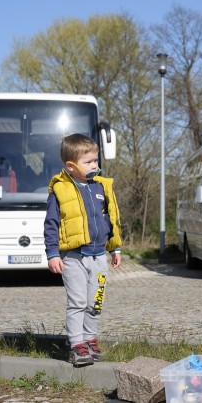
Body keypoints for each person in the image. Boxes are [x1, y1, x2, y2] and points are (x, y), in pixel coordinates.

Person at [44, 133, 122, 367]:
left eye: (96, 161)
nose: (95, 165)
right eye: (88, 162)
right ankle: (77, 345)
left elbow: (111, 220)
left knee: (95, 302)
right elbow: (51, 224)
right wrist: (53, 253)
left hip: (98, 258)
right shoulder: (60, 190)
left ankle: (90, 339)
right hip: (74, 259)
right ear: (71, 165)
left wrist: (115, 248)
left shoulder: (100, 187)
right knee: (77, 302)